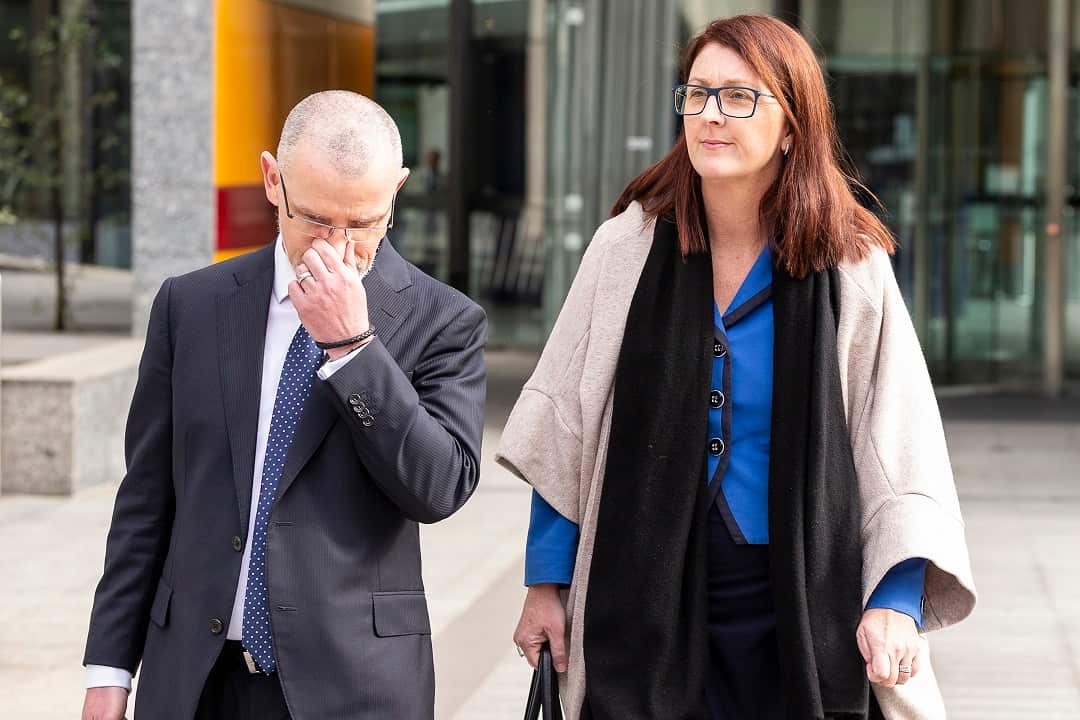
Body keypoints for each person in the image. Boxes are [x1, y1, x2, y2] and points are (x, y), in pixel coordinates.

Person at [497, 15, 975, 720]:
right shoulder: (625, 246)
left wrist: (895, 601)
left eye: (739, 97)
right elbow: (570, 423)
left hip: (802, 594)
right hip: (643, 586)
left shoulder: (850, 263)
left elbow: (898, 446)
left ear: (792, 125)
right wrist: (546, 584)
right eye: (697, 94)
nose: (711, 114)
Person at [81, 90, 487, 720]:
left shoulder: (444, 321)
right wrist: (108, 669)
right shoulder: (191, 305)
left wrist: (353, 348)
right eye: (317, 220)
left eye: (365, 222)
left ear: (396, 192)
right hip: (194, 679)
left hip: (356, 688)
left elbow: (439, 489)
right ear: (273, 180)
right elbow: (146, 499)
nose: (340, 246)